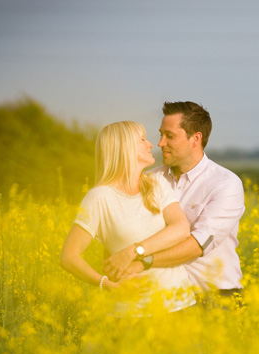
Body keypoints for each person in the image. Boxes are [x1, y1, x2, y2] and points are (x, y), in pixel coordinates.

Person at [104, 101, 245, 304]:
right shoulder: (147, 180)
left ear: (196, 138)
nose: (160, 143)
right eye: (161, 134)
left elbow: (198, 245)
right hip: (164, 301)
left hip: (216, 298)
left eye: (169, 136)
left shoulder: (225, 184)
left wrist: (142, 262)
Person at [60, 121, 196, 314]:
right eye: (142, 139)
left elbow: (181, 229)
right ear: (123, 148)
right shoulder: (99, 197)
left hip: (179, 305)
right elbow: (68, 257)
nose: (151, 144)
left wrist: (133, 251)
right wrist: (108, 286)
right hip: (132, 313)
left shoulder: (157, 184)